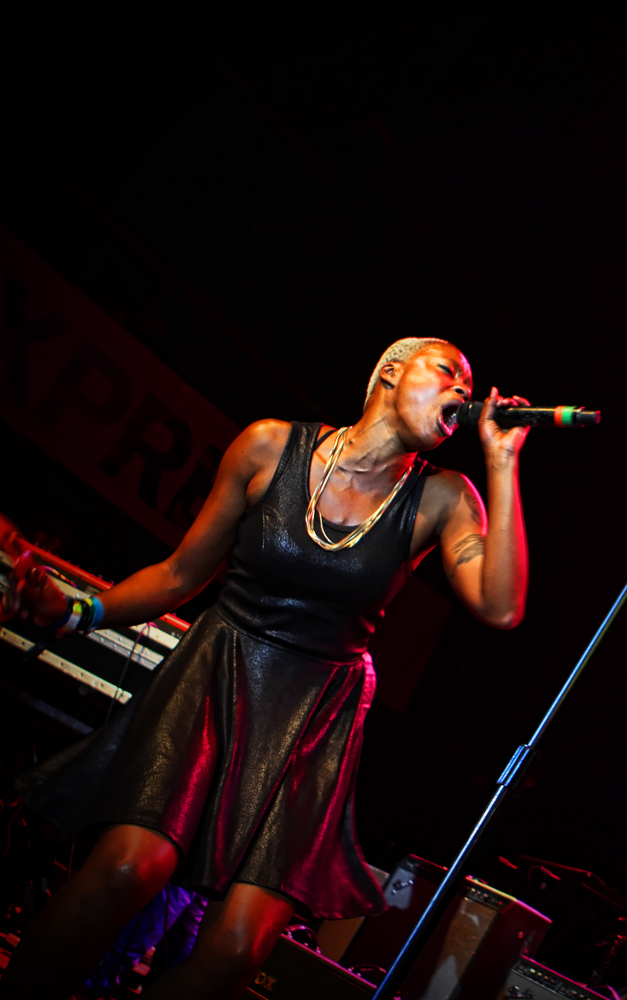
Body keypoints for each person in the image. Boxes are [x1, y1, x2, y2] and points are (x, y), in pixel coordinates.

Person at [0, 338, 530, 999]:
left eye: (467, 386)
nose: (461, 390)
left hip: (315, 717)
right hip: (220, 673)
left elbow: (500, 606)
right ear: (390, 372)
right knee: (128, 869)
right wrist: (82, 611)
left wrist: (502, 461)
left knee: (237, 950)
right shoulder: (268, 446)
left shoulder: (444, 497)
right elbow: (179, 574)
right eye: (448, 371)